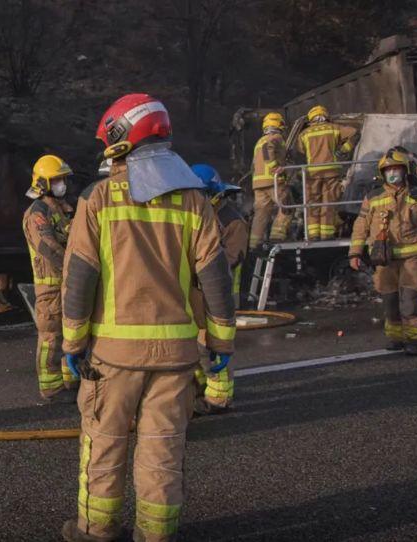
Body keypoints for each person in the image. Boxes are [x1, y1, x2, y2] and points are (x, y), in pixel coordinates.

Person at [60, 94, 236, 542]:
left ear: (121, 136)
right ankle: (156, 535)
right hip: (176, 358)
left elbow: (80, 277)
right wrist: (221, 343)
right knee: (162, 453)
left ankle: (96, 531)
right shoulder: (195, 203)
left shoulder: (97, 199)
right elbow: (216, 280)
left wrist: (72, 343)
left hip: (111, 357)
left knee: (104, 447)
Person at [349, 148, 417, 356]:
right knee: (390, 302)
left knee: (410, 301)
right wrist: (354, 253)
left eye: (396, 168)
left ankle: (414, 340)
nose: (393, 173)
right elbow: (361, 225)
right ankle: (396, 338)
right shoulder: (373, 197)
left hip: (412, 257)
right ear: (383, 173)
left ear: (404, 170)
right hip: (384, 258)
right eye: (388, 169)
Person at [191, 164, 247, 414]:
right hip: (196, 293)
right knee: (195, 345)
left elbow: (231, 257)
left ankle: (219, 398)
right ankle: (201, 389)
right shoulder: (200, 216)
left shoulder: (232, 221)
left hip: (219, 296)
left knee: (216, 346)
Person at [22, 155, 78, 402]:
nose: (61, 184)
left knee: (70, 333)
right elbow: (48, 246)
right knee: (51, 336)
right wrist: (76, 267)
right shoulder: (37, 213)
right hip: (51, 286)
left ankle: (70, 378)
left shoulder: (64, 209)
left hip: (67, 283)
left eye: (63, 179)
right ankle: (51, 387)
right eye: (56, 180)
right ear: (43, 182)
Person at [293, 105, 358, 240]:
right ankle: (326, 234)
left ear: (311, 118)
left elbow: (300, 151)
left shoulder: (304, 134)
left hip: (312, 174)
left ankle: (313, 234)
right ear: (325, 116)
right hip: (331, 172)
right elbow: (354, 133)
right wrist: (344, 149)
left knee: (312, 202)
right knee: (328, 202)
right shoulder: (334, 128)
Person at [249, 112, 292, 249]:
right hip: (273, 181)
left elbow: (253, 164)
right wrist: (276, 167)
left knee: (261, 214)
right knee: (287, 206)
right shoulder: (276, 137)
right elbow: (267, 151)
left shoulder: (259, 141)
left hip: (258, 183)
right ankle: (277, 237)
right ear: (279, 124)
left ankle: (255, 244)